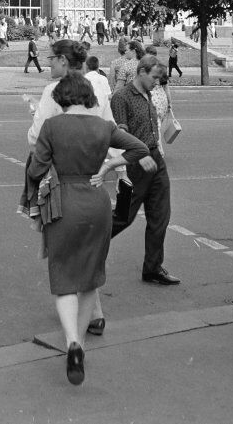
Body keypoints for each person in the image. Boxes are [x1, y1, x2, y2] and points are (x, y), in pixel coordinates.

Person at [27, 73, 150, 385]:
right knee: (90, 278)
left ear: (62, 97)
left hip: (63, 204)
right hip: (96, 202)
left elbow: (35, 168)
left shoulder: (51, 127)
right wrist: (108, 166)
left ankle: (71, 342)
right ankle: (80, 342)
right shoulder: (103, 126)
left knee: (64, 275)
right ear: (89, 96)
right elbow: (139, 148)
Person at [109, 54, 179, 286]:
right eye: (155, 77)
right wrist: (139, 156)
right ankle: (85, 247)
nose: (157, 82)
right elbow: (121, 135)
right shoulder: (121, 97)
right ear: (141, 72)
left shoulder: (147, 93)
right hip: (137, 165)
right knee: (123, 217)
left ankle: (153, 268)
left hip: (155, 160)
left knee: (160, 215)